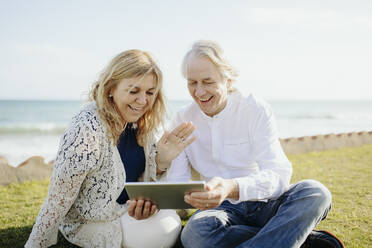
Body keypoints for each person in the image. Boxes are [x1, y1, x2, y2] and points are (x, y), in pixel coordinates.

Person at [167, 41, 342, 248]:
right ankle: (303, 240)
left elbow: (278, 174)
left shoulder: (254, 108)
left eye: (207, 81)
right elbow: (177, 185)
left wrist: (231, 187)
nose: (199, 92)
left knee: (316, 193)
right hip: (220, 210)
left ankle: (287, 235)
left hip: (265, 203)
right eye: (192, 83)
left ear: (228, 81)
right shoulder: (182, 119)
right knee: (195, 234)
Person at [25, 49, 195, 248]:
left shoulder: (142, 123)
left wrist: (161, 161)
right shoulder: (87, 127)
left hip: (127, 211)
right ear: (111, 87)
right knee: (165, 228)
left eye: (150, 92)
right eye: (134, 91)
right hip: (91, 222)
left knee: (169, 220)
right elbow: (59, 196)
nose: (143, 101)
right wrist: (37, 243)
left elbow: (140, 182)